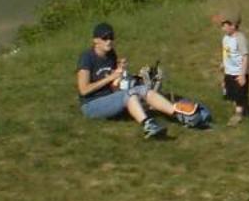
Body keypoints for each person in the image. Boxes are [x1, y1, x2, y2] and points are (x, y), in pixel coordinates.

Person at [75, 22, 204, 139]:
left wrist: (121, 74)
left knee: (142, 89)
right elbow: (84, 90)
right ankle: (148, 125)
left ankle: (179, 115)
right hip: (91, 105)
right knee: (130, 94)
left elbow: (114, 86)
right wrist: (111, 77)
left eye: (111, 37)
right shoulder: (87, 58)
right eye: (105, 38)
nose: (109, 41)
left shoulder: (111, 54)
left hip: (109, 99)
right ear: (95, 40)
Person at [217, 10, 249, 122]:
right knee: (232, 93)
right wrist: (223, 63)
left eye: (224, 25)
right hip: (229, 71)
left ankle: (238, 115)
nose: (222, 27)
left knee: (239, 94)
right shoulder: (226, 38)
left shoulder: (239, 38)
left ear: (233, 25)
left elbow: (245, 56)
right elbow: (226, 52)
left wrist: (242, 75)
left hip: (238, 73)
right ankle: (244, 109)